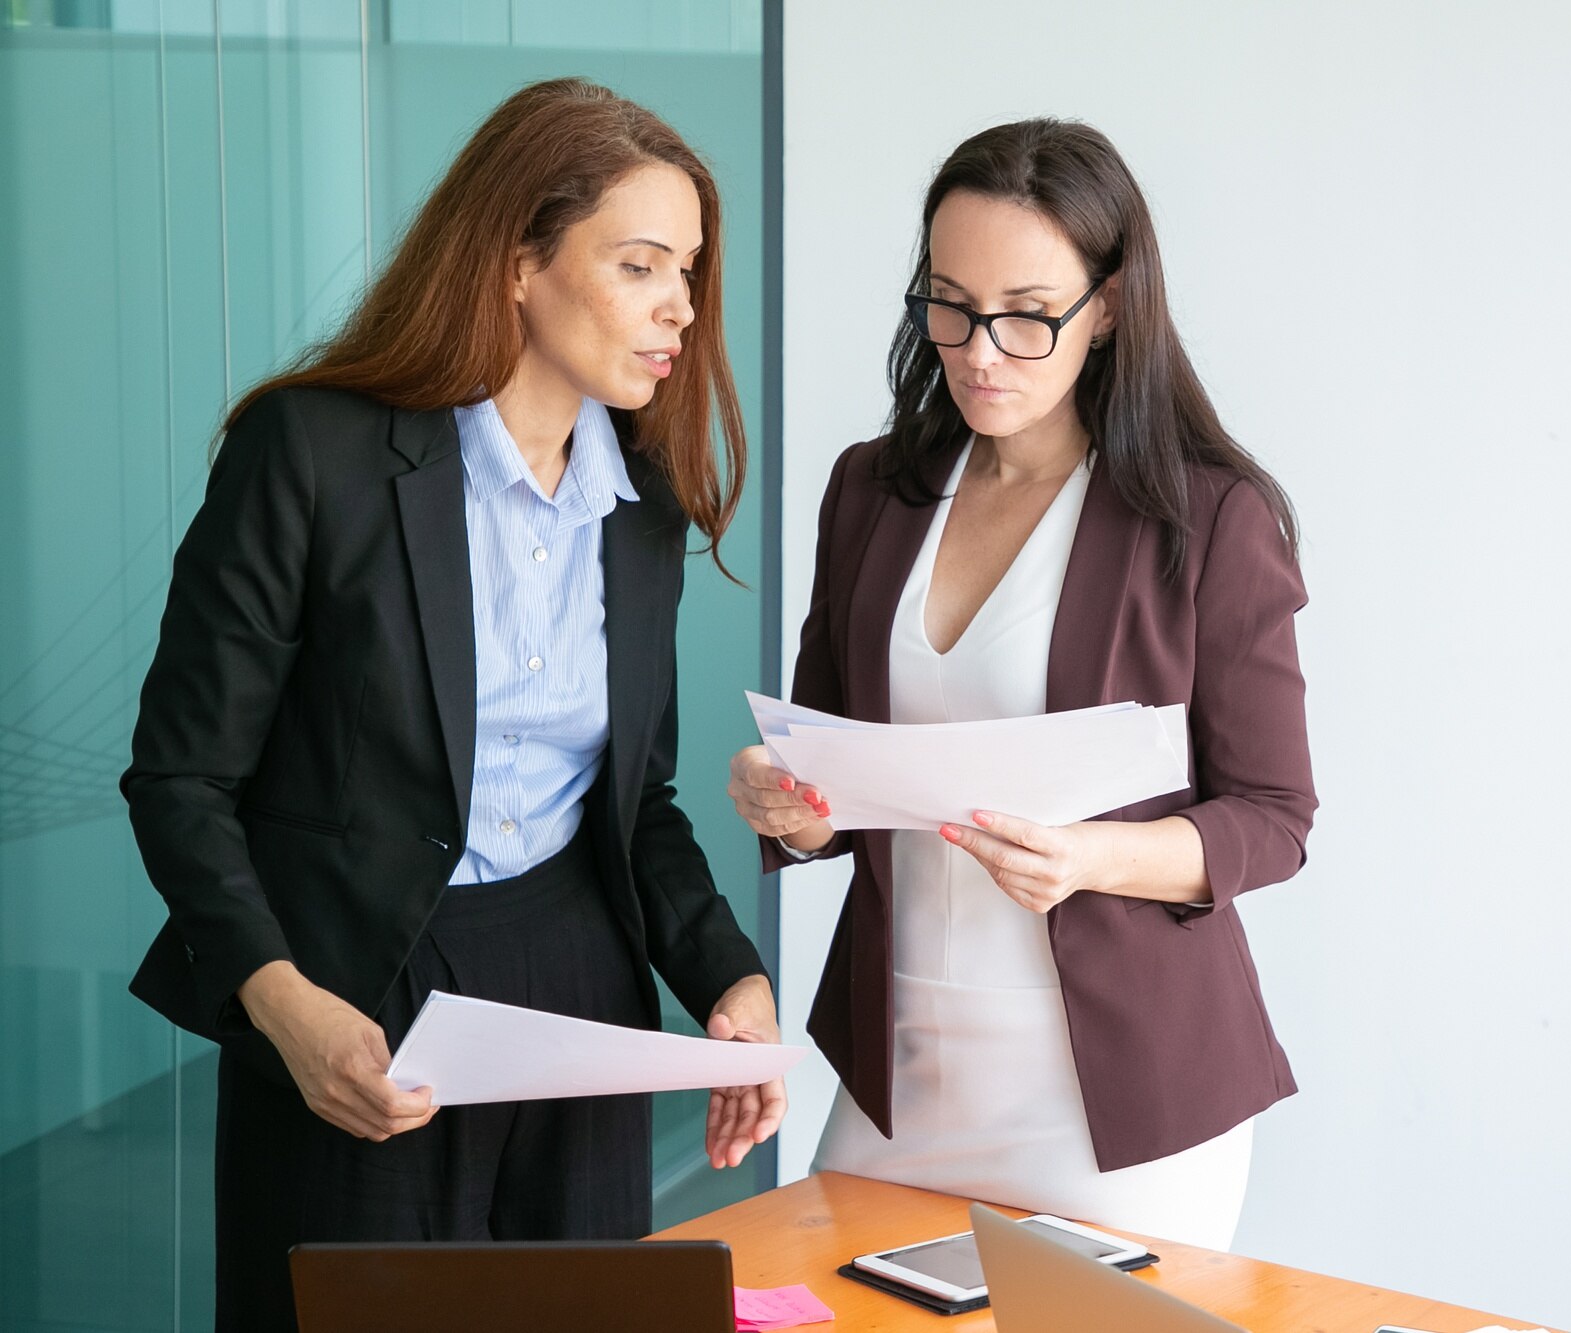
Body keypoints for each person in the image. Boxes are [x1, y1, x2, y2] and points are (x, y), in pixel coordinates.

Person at [122, 78, 783, 1330]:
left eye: (688, 269)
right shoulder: (311, 455)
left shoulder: (640, 508)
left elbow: (635, 804)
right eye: (640, 265)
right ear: (517, 262)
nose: (682, 309)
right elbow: (182, 782)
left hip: (576, 995)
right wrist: (280, 998)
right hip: (352, 995)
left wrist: (725, 978)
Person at [726, 119, 1315, 1250]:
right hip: (900, 1066)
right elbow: (827, 765)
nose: (980, 350)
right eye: (948, 305)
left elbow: (1275, 818)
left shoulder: (1208, 518)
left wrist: (1089, 856)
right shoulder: (872, 491)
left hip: (1120, 1102)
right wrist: (784, 802)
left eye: (1026, 314)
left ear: (1106, 307)